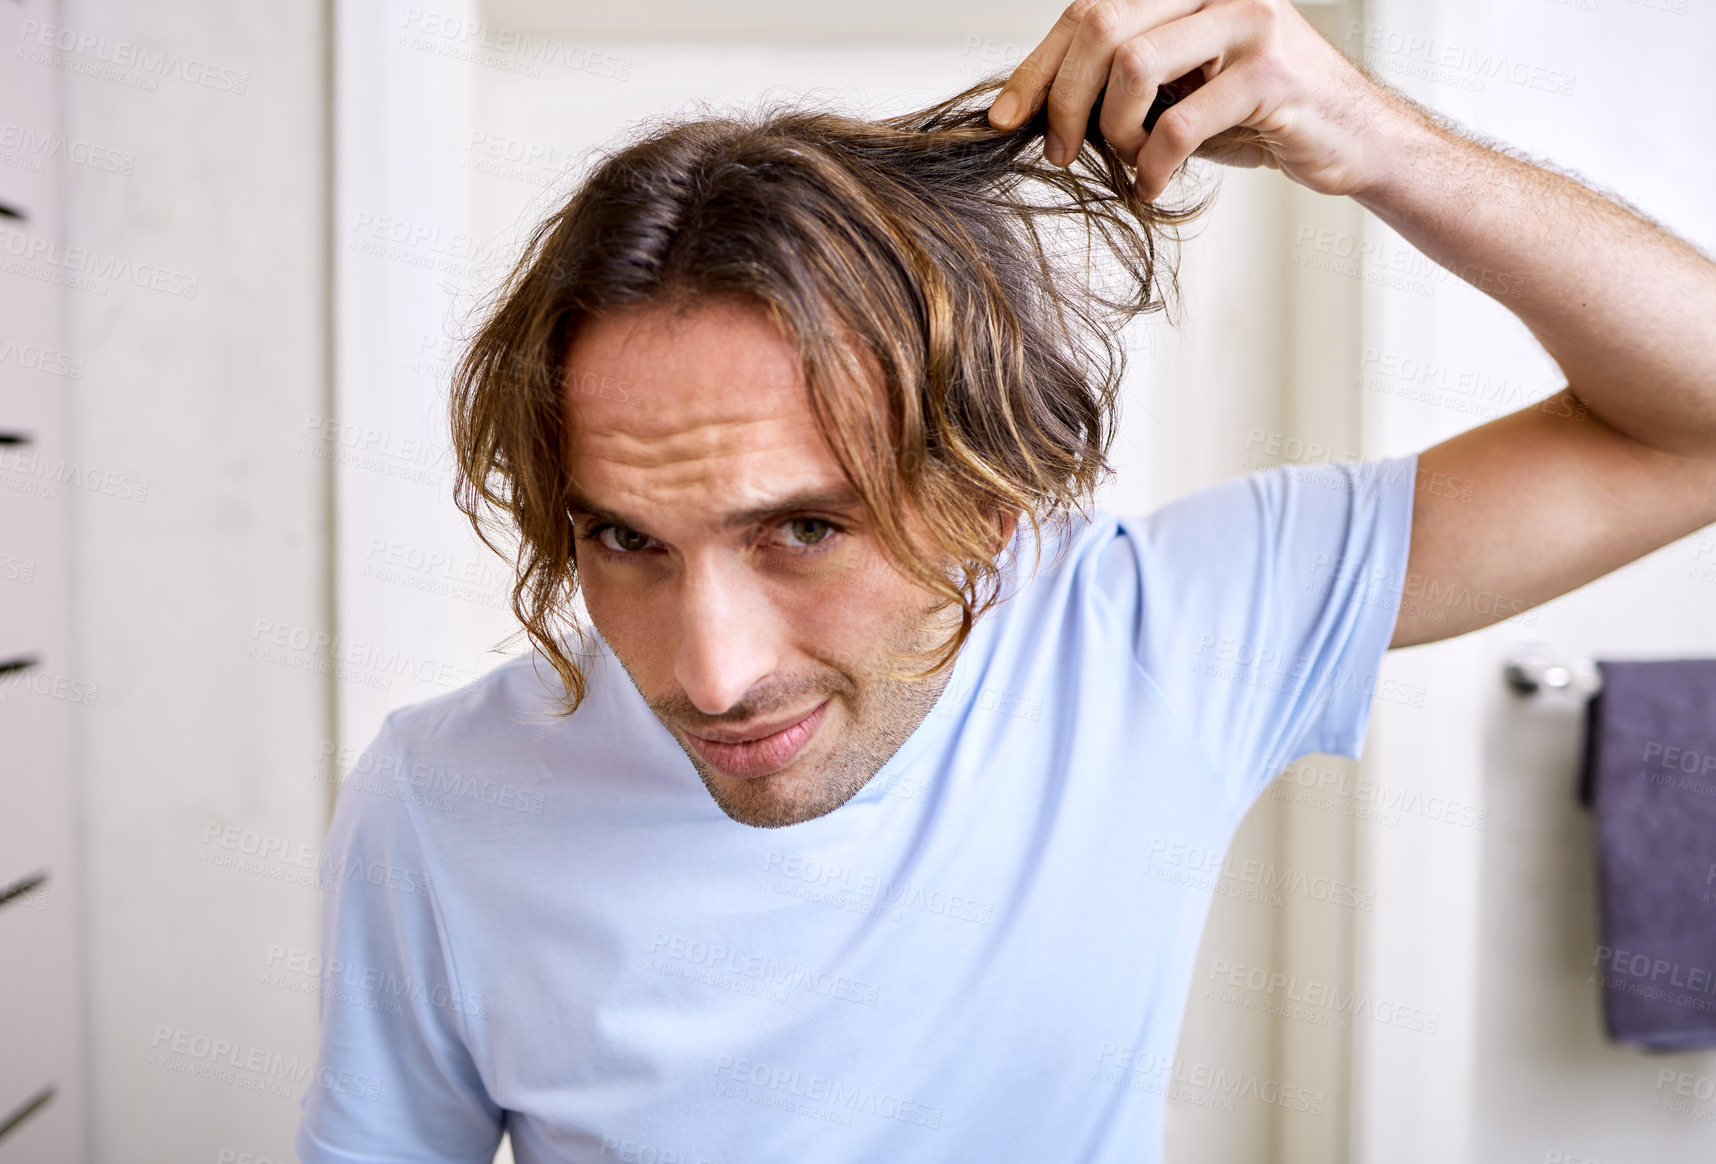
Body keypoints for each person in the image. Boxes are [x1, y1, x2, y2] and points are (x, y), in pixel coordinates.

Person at [297, 2, 1716, 1161]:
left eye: (804, 531)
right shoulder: (441, 800)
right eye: (626, 542)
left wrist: (1383, 145)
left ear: (992, 495)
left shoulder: (1163, 634)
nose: (712, 675)